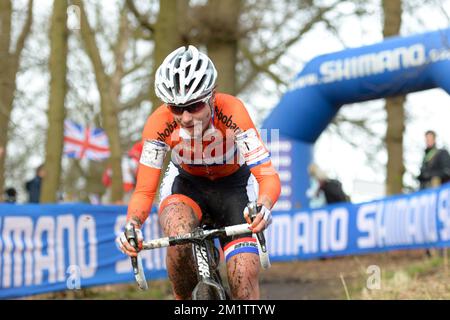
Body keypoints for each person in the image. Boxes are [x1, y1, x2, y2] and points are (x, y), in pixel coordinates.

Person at [116, 45, 281, 300]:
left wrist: (264, 205)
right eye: (175, 107)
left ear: (211, 96)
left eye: (194, 106)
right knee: (179, 236)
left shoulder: (233, 111)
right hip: (186, 186)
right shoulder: (158, 124)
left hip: (233, 188)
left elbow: (266, 174)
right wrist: (133, 225)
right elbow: (145, 189)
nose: (184, 117)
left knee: (244, 281)